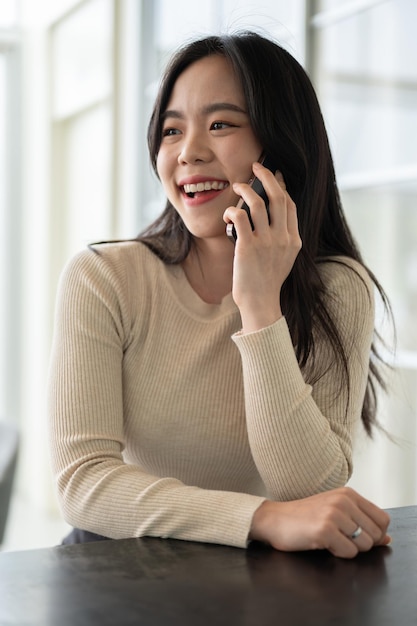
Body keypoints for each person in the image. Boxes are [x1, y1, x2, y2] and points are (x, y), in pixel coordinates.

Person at [48, 30, 392, 559]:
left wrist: (259, 305)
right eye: (171, 130)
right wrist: (260, 519)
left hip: (253, 577)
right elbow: (84, 483)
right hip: (114, 567)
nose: (188, 153)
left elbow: (310, 490)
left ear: (278, 146)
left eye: (220, 125)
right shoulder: (104, 279)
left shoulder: (338, 289)